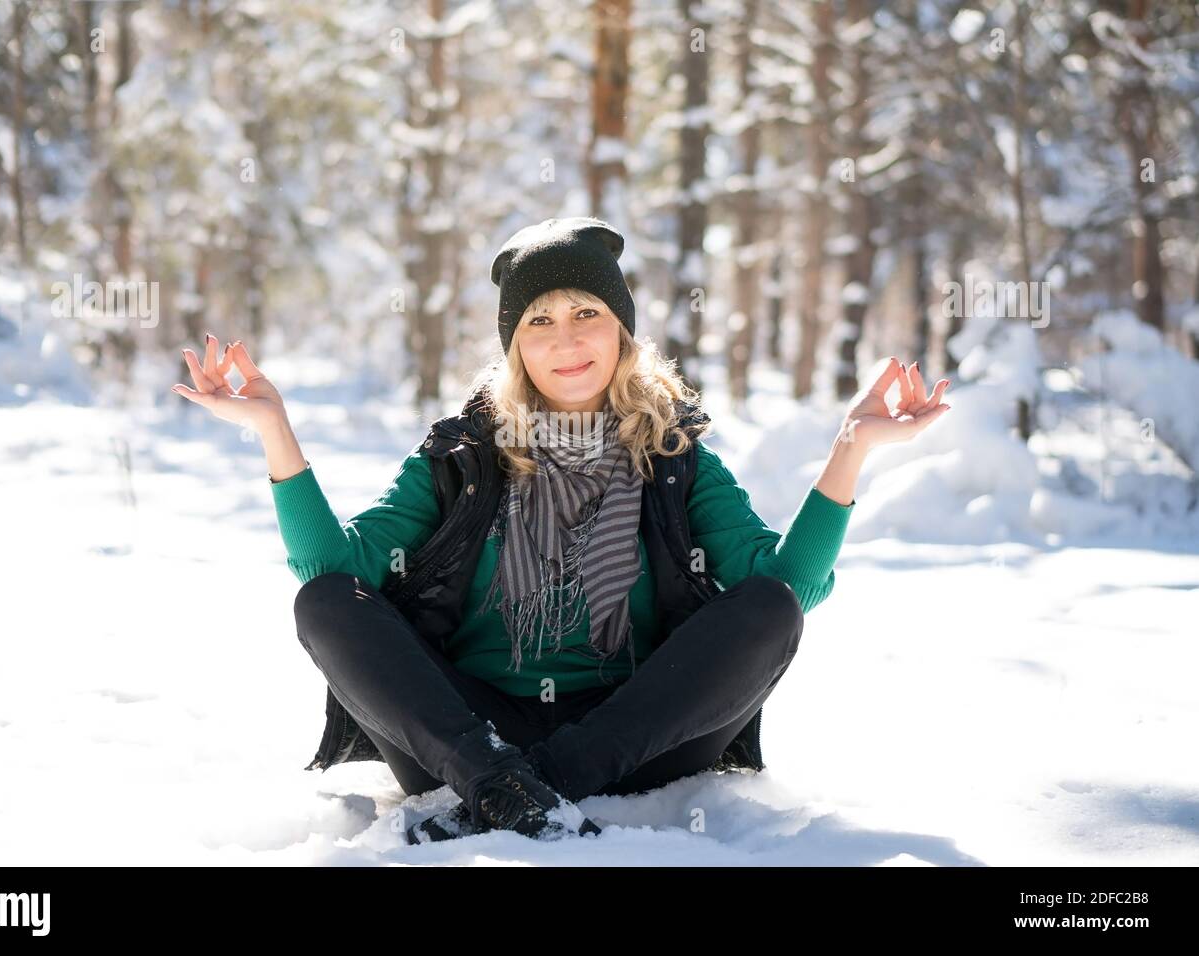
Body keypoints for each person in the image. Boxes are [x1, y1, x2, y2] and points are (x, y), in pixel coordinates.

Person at [172, 215, 952, 843]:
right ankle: (501, 783)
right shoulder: (462, 457)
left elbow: (786, 587)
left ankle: (514, 793)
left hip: (633, 741)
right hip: (465, 738)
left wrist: (854, 444)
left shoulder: (673, 456)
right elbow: (334, 571)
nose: (566, 338)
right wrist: (274, 429)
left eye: (588, 313)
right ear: (515, 344)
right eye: (539, 320)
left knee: (769, 609)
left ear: (622, 332)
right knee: (327, 604)